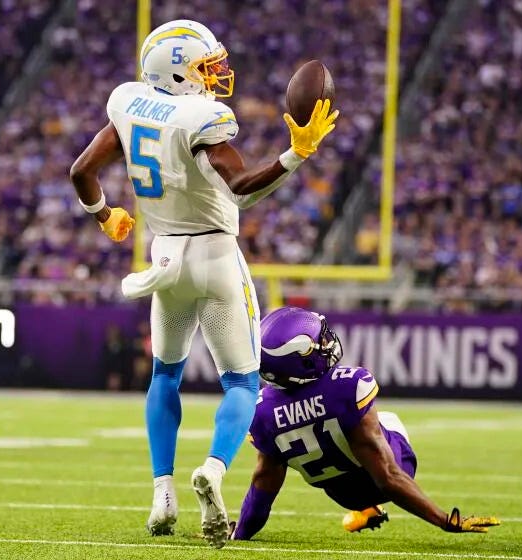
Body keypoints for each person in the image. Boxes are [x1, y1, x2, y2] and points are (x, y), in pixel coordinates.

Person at [68, 20, 338, 548]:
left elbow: (82, 170)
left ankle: (161, 493)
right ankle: (213, 471)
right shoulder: (203, 116)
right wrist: (297, 153)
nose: (215, 74)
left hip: (164, 258)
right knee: (242, 383)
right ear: (175, 71)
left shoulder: (128, 102)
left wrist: (105, 216)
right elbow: (240, 190)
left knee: (164, 376)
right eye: (203, 66)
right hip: (214, 255)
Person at [231, 307, 501, 540]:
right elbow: (388, 478)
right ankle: (370, 504)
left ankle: (366, 508)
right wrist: (443, 519)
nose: (326, 342)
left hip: (342, 495)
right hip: (389, 474)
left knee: (304, 448)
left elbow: (262, 487)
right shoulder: (349, 386)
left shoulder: (261, 411)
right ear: (299, 360)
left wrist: (239, 533)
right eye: (318, 340)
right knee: (386, 419)